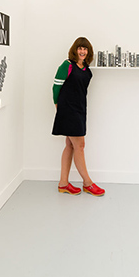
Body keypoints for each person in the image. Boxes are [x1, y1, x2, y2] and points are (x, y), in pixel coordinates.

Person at [52, 37, 105, 197]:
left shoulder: (86, 69)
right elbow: (56, 86)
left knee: (70, 145)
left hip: (80, 109)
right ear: (75, 50)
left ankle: (63, 184)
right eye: (80, 48)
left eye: (85, 49)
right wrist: (58, 106)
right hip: (68, 110)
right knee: (80, 145)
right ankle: (88, 183)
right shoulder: (67, 65)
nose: (82, 51)